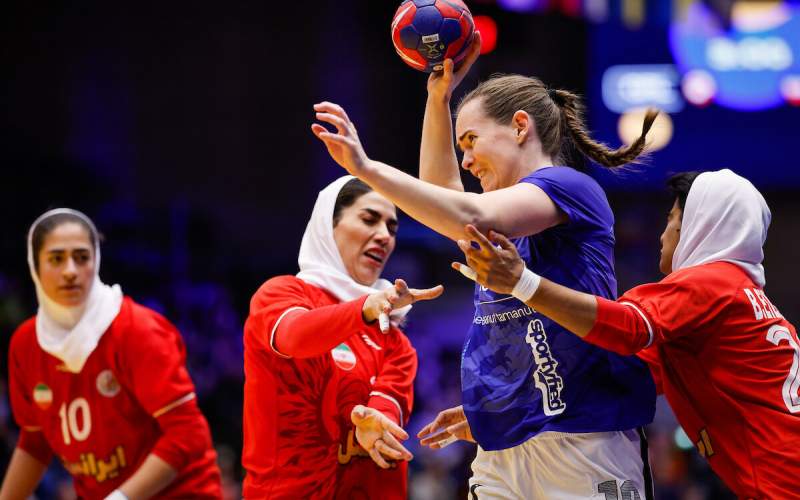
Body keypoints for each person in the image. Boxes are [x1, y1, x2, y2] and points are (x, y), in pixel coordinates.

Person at [312, 37, 658, 499]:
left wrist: (366, 167)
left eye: (471, 141)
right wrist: (438, 100)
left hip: (585, 440)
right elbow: (447, 200)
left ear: (520, 127)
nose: (467, 160)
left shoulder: (569, 187)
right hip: (504, 449)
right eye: (460, 148)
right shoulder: (494, 218)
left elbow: (466, 213)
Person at [453, 169, 800, 498]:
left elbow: (627, 329)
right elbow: (619, 375)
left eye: (672, 219)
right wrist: (502, 411)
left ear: (700, 224)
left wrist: (522, 283)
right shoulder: (733, 301)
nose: (663, 235)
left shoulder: (712, 285)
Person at [242, 176, 443, 499]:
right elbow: (294, 337)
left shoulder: (395, 340)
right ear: (328, 226)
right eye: (369, 219)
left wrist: (378, 423)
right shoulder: (281, 294)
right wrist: (362, 308)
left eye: (392, 229)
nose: (384, 236)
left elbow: (387, 402)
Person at [0, 208, 222, 499]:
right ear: (35, 266)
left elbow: (188, 434)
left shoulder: (139, 330)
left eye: (81, 257)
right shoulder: (25, 344)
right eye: (56, 258)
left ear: (96, 261)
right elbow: (35, 441)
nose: (70, 270)